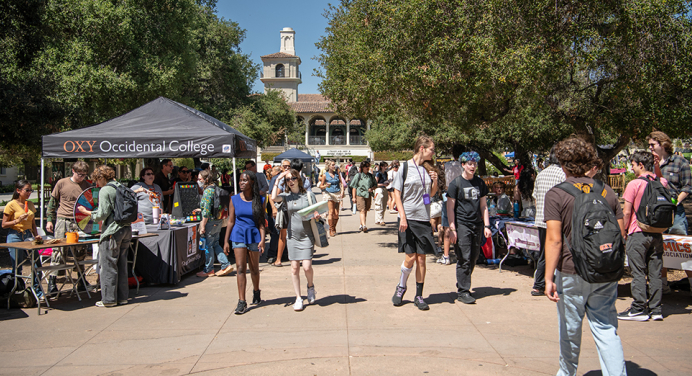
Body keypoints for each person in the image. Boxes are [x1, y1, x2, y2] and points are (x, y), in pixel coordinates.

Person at [544, 137, 626, 376]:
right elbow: (620, 233)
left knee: (570, 329)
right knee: (606, 328)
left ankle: (566, 372)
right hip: (604, 271)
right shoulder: (606, 191)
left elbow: (554, 240)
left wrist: (548, 278)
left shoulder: (557, 194)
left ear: (564, 165)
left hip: (572, 270)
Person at [391, 135, 438, 310]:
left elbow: (431, 195)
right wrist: (402, 216)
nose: (433, 152)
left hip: (423, 219)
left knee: (422, 259)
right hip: (408, 218)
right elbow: (397, 193)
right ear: (422, 149)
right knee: (410, 258)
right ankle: (401, 286)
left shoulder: (428, 168)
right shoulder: (404, 168)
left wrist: (435, 181)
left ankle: (419, 295)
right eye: (431, 149)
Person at [619, 151, 667, 321]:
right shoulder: (662, 182)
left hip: (637, 232)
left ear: (640, 165)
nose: (631, 168)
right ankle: (656, 309)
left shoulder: (634, 184)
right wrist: (657, 168)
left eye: (632, 164)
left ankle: (639, 307)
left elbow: (626, 211)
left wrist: (623, 232)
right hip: (657, 233)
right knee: (655, 272)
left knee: (638, 271)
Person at [78, 165, 132, 307]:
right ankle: (122, 297)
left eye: (97, 180)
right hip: (126, 229)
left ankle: (108, 300)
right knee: (121, 264)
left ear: (102, 177)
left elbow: (102, 214)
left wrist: (87, 212)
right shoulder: (122, 186)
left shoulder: (106, 190)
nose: (96, 184)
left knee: (108, 265)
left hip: (112, 231)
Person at [648, 131, 692, 294]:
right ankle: (663, 286)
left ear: (663, 144)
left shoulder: (680, 162)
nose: (650, 148)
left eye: (653, 144)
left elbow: (687, 187)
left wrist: (675, 202)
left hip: (676, 212)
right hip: (656, 213)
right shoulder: (650, 163)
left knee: (683, 248)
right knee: (660, 249)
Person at [272, 168, 321, 311]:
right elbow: (274, 197)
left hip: (307, 236)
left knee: (306, 267)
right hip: (292, 236)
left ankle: (310, 287)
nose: (290, 181)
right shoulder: (286, 196)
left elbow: (316, 210)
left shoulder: (308, 195)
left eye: (293, 178)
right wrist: (278, 179)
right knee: (294, 268)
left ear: (298, 179)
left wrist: (316, 214)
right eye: (287, 179)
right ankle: (298, 297)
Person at [447, 151, 491, 304]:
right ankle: (463, 291)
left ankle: (462, 282)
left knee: (474, 257)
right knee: (464, 258)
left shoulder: (480, 183)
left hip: (477, 225)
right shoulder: (455, 184)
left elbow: (484, 206)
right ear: (463, 165)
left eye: (475, 164)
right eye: (470, 164)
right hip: (462, 225)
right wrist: (452, 229)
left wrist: (487, 225)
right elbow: (450, 208)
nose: (473, 167)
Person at [45, 161, 92, 294]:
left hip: (79, 222)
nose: (81, 177)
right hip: (63, 220)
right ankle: (52, 282)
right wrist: (49, 220)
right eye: (79, 174)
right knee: (58, 251)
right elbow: (52, 203)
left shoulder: (87, 186)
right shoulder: (62, 183)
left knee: (80, 251)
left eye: (84, 175)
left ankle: (81, 280)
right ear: (73, 171)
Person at [224, 170, 266, 315]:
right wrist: (226, 241)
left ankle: (256, 291)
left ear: (252, 182)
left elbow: (261, 223)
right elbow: (230, 221)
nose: (241, 183)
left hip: (254, 235)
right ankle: (242, 301)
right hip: (238, 235)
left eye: (245, 180)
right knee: (241, 268)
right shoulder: (234, 199)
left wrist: (262, 240)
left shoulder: (260, 199)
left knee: (254, 269)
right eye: (240, 180)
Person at [530, 144, 565, 296]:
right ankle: (553, 284)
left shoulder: (541, 174)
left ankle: (538, 284)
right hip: (556, 220)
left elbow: (536, 198)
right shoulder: (562, 175)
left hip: (540, 219)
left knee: (544, 253)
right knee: (558, 251)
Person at [2, 180, 43, 300]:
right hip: (15, 235)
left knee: (36, 264)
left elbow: (33, 223)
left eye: (31, 190)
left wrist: (36, 235)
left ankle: (37, 291)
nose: (29, 192)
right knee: (17, 266)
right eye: (27, 190)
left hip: (29, 236)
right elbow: (4, 224)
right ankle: (18, 291)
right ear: (18, 191)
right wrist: (17, 221)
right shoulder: (11, 205)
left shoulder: (29, 204)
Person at [197, 170, 234, 278]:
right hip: (218, 220)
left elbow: (207, 210)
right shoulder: (216, 189)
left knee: (209, 245)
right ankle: (225, 264)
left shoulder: (208, 191)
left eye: (200, 179)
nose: (198, 181)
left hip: (210, 221)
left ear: (205, 179)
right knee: (215, 243)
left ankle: (209, 269)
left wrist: (203, 225)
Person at [350, 161, 377, 232]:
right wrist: (353, 197)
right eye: (366, 166)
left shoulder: (371, 176)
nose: (367, 168)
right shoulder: (358, 176)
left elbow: (375, 185)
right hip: (360, 194)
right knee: (362, 210)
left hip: (368, 195)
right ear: (362, 168)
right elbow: (354, 187)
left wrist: (372, 188)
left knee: (365, 210)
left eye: (368, 166)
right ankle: (364, 225)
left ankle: (361, 224)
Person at [319, 160, 344, 236]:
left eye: (334, 165)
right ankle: (330, 230)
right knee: (331, 212)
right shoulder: (325, 175)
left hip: (337, 193)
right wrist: (325, 186)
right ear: (329, 166)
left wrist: (342, 192)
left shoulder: (337, 174)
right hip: (329, 194)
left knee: (336, 214)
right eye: (332, 165)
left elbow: (341, 183)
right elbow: (321, 186)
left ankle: (333, 228)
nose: (334, 166)